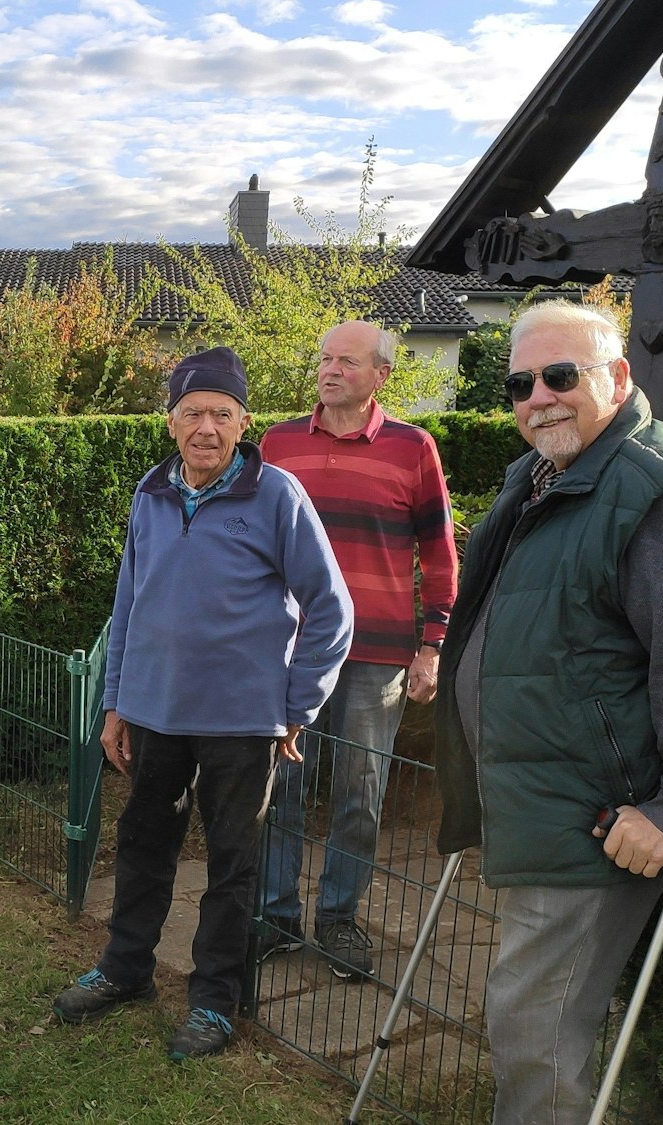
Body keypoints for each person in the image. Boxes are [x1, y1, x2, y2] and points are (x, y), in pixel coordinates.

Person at [430, 303, 663, 1123]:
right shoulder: (542, 474)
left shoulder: (648, 487)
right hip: (539, 798)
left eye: (560, 375)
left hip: (595, 821)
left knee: (533, 1028)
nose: (538, 396)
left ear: (617, 378)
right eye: (521, 381)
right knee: (530, 1019)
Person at [51, 346, 353, 1060]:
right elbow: (127, 604)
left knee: (231, 864)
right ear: (170, 423)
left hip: (243, 725)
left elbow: (331, 611)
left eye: (221, 413)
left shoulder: (278, 495)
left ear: (244, 421)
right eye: (192, 412)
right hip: (154, 713)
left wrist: (294, 705)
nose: (206, 427)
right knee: (144, 846)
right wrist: (116, 701)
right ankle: (127, 969)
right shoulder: (150, 493)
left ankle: (216, 1002)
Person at [258, 320, 457, 978]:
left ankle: (339, 918)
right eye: (324, 358)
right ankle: (275, 914)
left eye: (346, 360)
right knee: (278, 781)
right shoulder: (278, 442)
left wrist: (432, 644)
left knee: (359, 791)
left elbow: (439, 555)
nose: (330, 369)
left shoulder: (413, 448)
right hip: (288, 652)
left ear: (382, 375)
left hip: (377, 656)